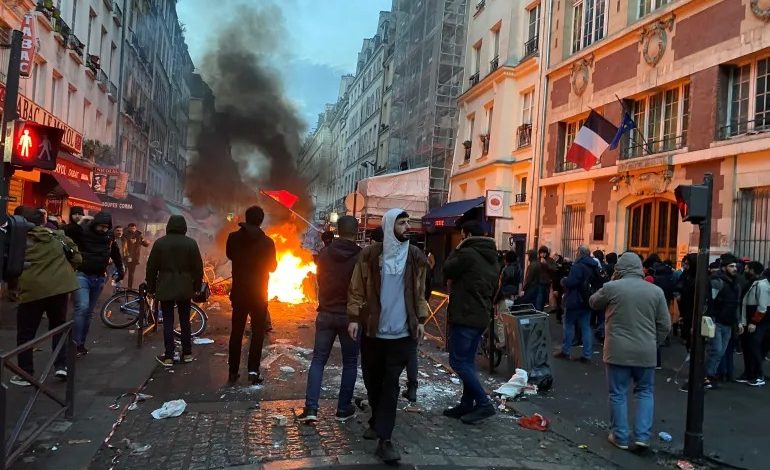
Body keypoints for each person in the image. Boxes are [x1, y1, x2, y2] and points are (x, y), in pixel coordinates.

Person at [347, 209, 428, 464]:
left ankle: (385, 440)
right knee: (373, 381)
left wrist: (422, 319)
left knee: (391, 385)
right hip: (373, 331)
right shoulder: (370, 255)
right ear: (390, 225)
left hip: (402, 334)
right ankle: (375, 421)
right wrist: (353, 317)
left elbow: (420, 291)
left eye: (408, 223)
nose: (407, 227)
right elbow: (356, 287)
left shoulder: (415, 256)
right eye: (401, 223)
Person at [589, 252, 671, 451]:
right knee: (645, 392)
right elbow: (665, 325)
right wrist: (654, 342)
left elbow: (593, 302)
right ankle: (642, 436)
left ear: (619, 270)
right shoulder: (656, 291)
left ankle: (620, 436)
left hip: (617, 351)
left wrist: (611, 280)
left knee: (617, 393)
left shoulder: (612, 288)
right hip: (646, 351)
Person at [298, 216, 362, 423]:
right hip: (350, 317)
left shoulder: (324, 254)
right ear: (357, 231)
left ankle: (311, 409)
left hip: (326, 313)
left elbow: (319, 279)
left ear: (337, 231)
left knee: (318, 360)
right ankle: (343, 408)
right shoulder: (361, 256)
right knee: (350, 363)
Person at [10, 207, 82, 386]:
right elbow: (77, 258)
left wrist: (13, 287)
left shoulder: (17, 240)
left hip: (32, 291)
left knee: (26, 333)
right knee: (59, 327)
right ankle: (61, 366)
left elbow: (11, 266)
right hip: (59, 289)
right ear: (41, 221)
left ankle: (26, 373)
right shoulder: (57, 236)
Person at [442, 221, 499, 424]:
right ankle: (467, 404)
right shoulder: (493, 258)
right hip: (481, 315)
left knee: (458, 362)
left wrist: (457, 249)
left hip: (466, 315)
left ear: (466, 235)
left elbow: (447, 269)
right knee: (467, 362)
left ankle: (484, 403)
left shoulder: (467, 254)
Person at [226, 206, 277, 385]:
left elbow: (230, 255)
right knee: (257, 334)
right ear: (261, 220)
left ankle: (232, 372)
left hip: (239, 293)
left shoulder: (233, 238)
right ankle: (253, 372)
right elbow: (272, 267)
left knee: (237, 333)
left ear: (246, 218)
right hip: (259, 294)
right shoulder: (268, 242)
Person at [145, 215, 204, 367]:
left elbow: (151, 268)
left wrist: (151, 288)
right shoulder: (191, 243)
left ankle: (169, 356)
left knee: (168, 321)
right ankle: (188, 353)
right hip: (185, 287)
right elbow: (198, 268)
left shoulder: (160, 243)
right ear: (184, 227)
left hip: (165, 285)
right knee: (185, 321)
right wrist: (197, 288)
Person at [67, 211, 124, 356]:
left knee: (88, 313)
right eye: (101, 226)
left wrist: (120, 268)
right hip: (82, 275)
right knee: (82, 308)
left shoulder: (109, 236)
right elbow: (67, 232)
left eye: (106, 227)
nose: (103, 229)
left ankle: (80, 344)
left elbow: (115, 253)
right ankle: (73, 344)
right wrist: (80, 222)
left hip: (99, 277)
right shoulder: (83, 232)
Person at [701, 254, 742, 390]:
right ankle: (706, 376)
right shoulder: (717, 282)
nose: (734, 268)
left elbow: (736, 304)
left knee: (721, 351)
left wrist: (738, 322)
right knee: (716, 350)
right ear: (724, 268)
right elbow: (710, 302)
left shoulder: (735, 283)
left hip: (728, 322)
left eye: (735, 266)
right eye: (731, 266)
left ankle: (710, 375)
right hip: (717, 321)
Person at [555, 245, 598, 363]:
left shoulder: (578, 266)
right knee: (586, 327)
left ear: (580, 253)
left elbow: (571, 282)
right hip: (588, 299)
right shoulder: (594, 266)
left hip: (575, 299)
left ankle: (566, 350)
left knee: (568, 324)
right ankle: (587, 354)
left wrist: (564, 280)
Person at [738, 261, 769, 387]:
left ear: (753, 270)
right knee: (748, 347)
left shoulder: (761, 285)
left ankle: (758, 374)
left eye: (747, 268)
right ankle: (749, 373)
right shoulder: (754, 283)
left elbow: (763, 307)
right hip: (750, 320)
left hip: (757, 322)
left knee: (754, 348)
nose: (745, 270)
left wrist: (754, 322)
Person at [124, 223, 150, 289]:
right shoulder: (124, 234)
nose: (133, 229)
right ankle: (116, 287)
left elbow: (143, 243)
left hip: (134, 257)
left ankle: (129, 288)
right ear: (128, 228)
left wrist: (147, 243)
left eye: (134, 228)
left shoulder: (139, 235)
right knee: (122, 272)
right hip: (125, 257)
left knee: (131, 273)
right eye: (131, 228)